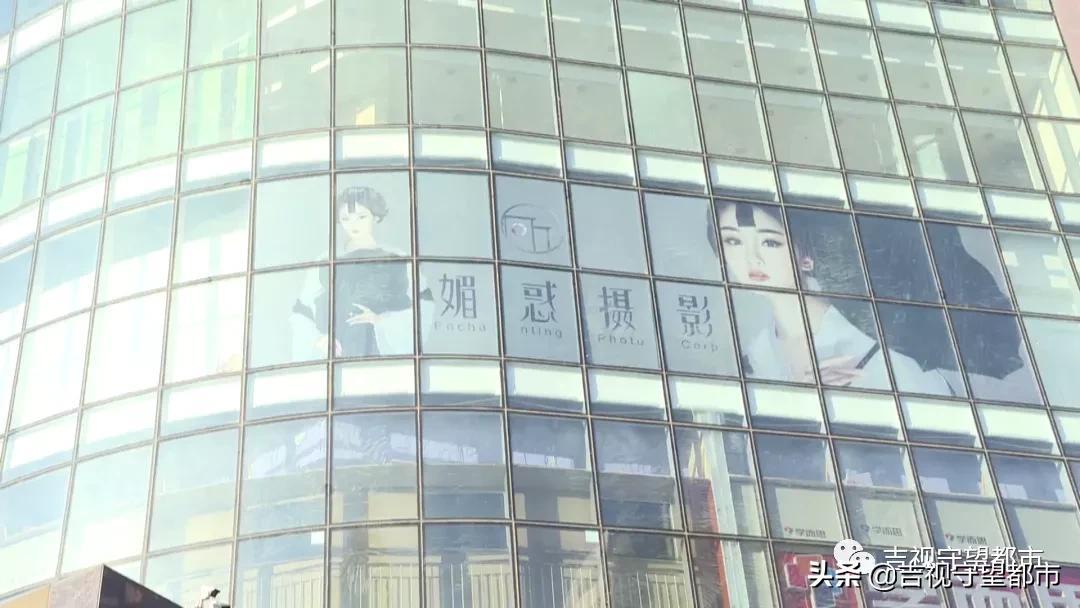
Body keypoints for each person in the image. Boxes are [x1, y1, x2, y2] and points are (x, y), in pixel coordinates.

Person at [714, 201, 952, 394]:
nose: (751, 258)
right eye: (733, 241)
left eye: (770, 242)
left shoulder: (875, 342)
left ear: (806, 255)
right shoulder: (751, 358)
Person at [292, 186, 416, 358]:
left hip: (378, 350)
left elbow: (416, 310)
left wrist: (381, 320)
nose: (353, 224)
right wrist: (319, 339)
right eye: (346, 218)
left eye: (361, 217)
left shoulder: (396, 259)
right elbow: (302, 310)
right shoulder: (326, 260)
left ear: (376, 217)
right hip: (338, 350)